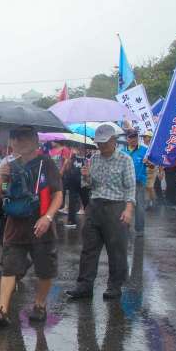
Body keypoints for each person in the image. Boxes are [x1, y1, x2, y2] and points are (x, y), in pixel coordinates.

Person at [0, 126, 63, 326]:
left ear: (35, 140)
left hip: (41, 225)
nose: (19, 142)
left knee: (45, 269)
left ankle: (40, 305)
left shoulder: (46, 164)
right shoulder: (9, 163)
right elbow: (0, 195)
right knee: (9, 267)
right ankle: (2, 310)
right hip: (15, 225)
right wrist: (2, 177)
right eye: (15, 138)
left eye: (24, 138)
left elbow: (58, 194)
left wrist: (48, 218)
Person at [67, 124, 136, 301]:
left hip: (116, 207)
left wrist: (128, 209)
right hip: (95, 205)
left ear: (113, 141)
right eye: (98, 143)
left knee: (116, 250)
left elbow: (130, 188)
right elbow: (91, 185)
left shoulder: (124, 159)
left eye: (104, 143)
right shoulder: (94, 158)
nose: (101, 146)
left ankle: (114, 286)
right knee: (89, 248)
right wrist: (86, 176)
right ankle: (84, 286)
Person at [123, 129, 148, 236]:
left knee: (139, 206)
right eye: (131, 137)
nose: (133, 139)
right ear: (127, 139)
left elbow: (152, 165)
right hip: (125, 183)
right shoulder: (122, 151)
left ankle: (139, 229)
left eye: (135, 137)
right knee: (124, 205)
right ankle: (124, 226)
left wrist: (149, 162)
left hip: (139, 182)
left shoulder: (144, 150)